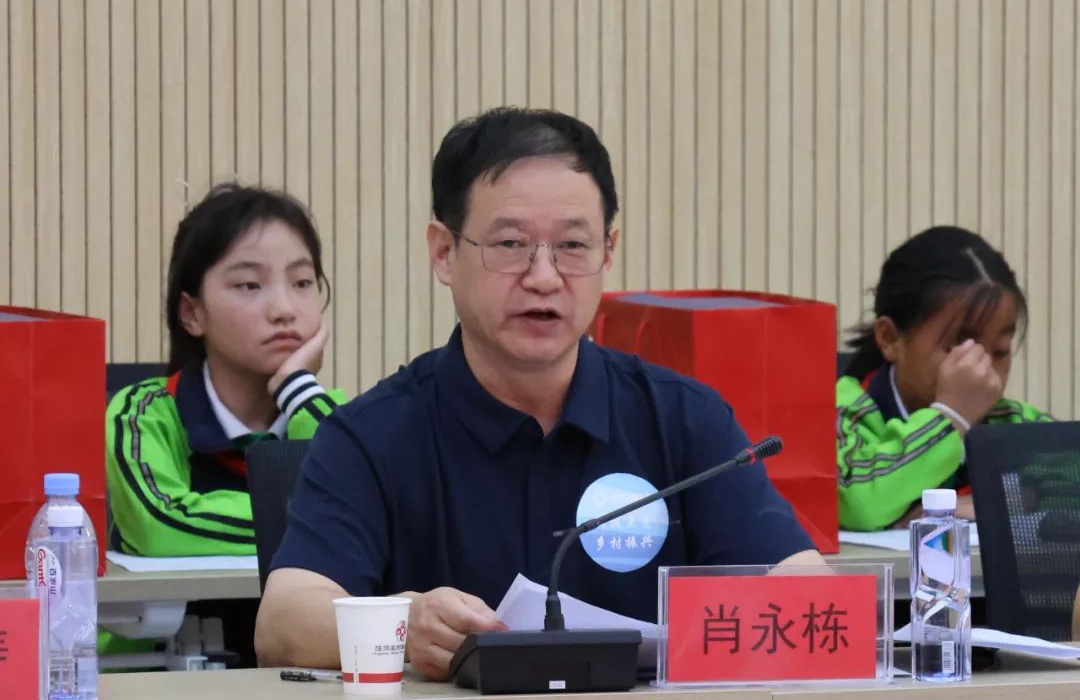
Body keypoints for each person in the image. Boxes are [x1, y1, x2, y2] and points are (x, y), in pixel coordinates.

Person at [255, 107, 823, 679]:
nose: (545, 277)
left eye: (573, 245)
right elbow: (282, 622)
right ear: (444, 252)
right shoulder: (371, 435)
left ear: (608, 251)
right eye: (510, 243)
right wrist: (403, 624)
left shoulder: (683, 418)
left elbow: (805, 592)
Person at [105, 183, 344, 557]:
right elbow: (160, 527)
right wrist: (316, 522)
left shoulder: (333, 415)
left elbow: (371, 514)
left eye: (302, 282)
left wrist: (298, 390)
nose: (284, 309)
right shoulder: (142, 415)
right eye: (249, 285)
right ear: (192, 313)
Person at [836, 226, 1052, 532]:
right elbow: (858, 503)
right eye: (959, 349)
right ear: (889, 338)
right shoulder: (841, 409)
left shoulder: (1009, 420)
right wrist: (952, 415)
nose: (981, 370)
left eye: (1000, 351)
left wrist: (992, 502)